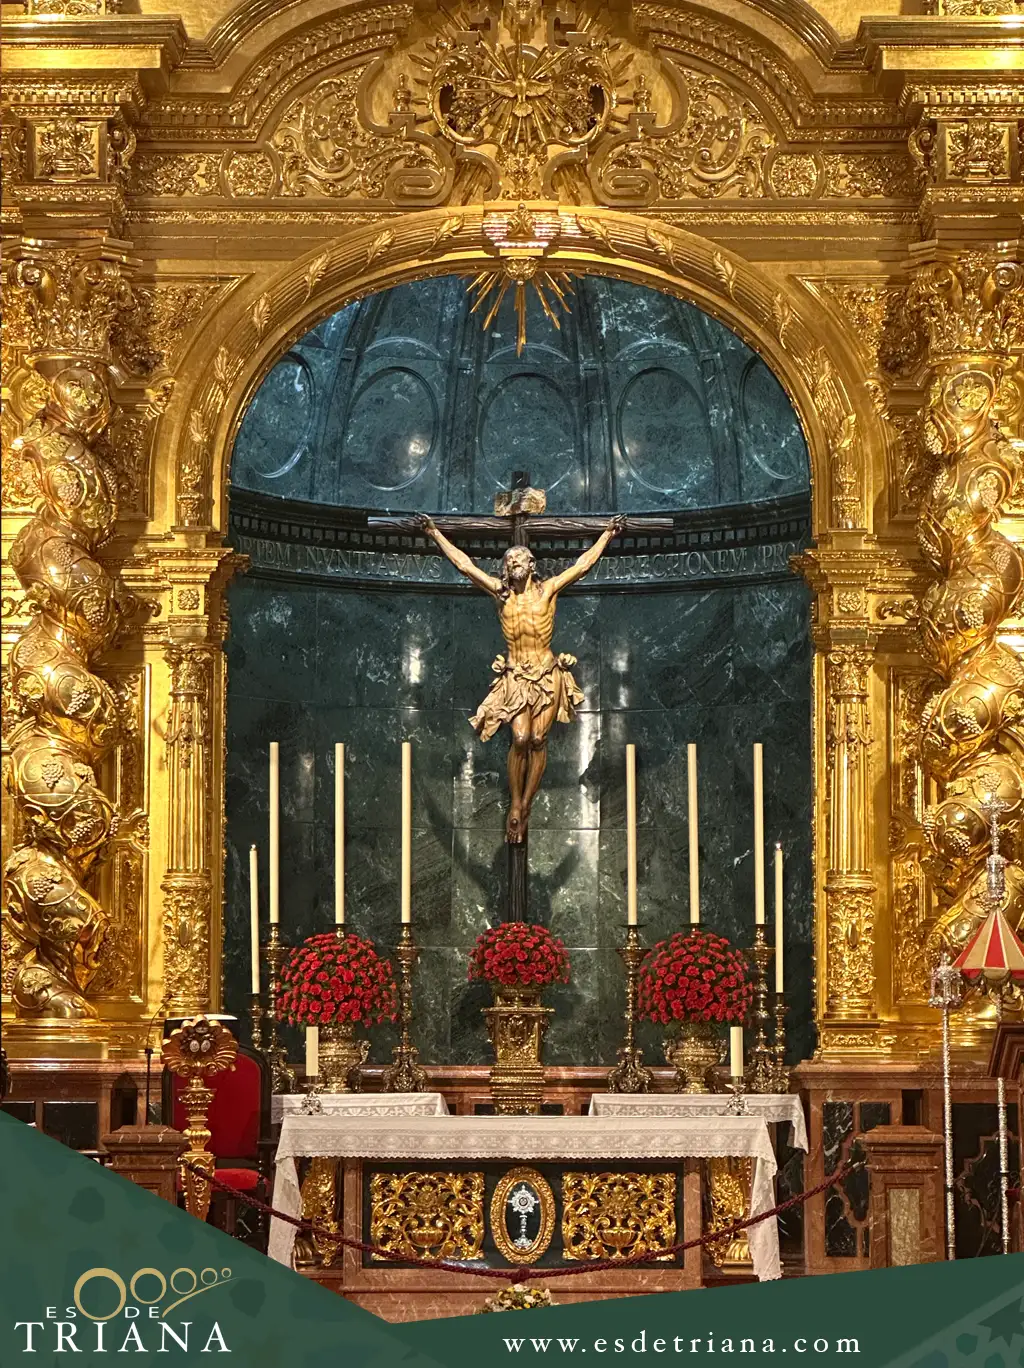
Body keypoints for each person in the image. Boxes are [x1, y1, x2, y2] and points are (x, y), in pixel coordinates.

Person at [417, 513, 625, 842]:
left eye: (520, 558)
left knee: (539, 740)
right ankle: (515, 801)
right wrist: (433, 532)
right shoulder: (500, 594)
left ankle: (525, 804)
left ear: (531, 565)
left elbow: (583, 566)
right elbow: (465, 566)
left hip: (546, 672)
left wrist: (608, 535)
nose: (514, 561)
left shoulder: (548, 591)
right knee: (520, 738)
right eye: (509, 558)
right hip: (515, 674)